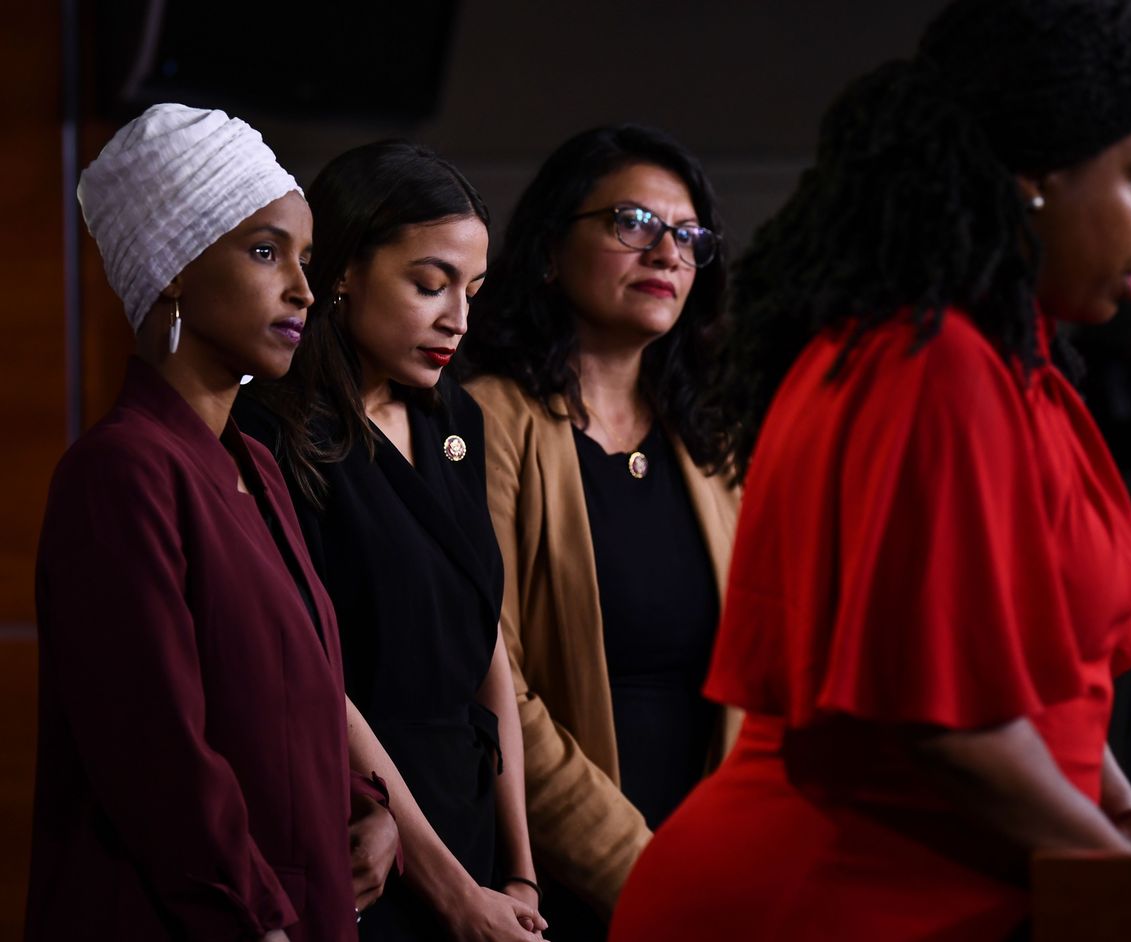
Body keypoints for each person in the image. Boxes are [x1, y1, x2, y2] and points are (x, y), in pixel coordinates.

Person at [609, 2, 1131, 939]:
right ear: (1037, 173)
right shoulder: (931, 366)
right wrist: (1128, 868)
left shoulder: (1011, 366)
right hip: (823, 899)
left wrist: (1123, 827)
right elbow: (947, 729)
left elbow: (1063, 698)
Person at [26, 103, 396, 942]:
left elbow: (298, 692)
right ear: (174, 269)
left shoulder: (254, 465)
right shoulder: (119, 474)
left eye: (305, 258)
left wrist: (368, 808)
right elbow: (156, 758)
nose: (304, 288)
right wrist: (262, 918)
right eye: (267, 252)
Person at [236, 140, 545, 942]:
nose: (458, 320)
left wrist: (518, 869)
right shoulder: (271, 430)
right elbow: (314, 675)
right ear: (341, 271)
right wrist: (451, 891)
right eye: (429, 284)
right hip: (367, 833)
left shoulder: (458, 420)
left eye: (472, 291)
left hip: (472, 822)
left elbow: (490, 656)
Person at [459, 125, 740, 939]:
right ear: (550, 250)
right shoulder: (487, 420)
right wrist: (639, 873)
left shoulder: (713, 447)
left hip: (715, 871)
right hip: (559, 882)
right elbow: (494, 683)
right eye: (632, 223)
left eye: (688, 236)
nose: (667, 253)